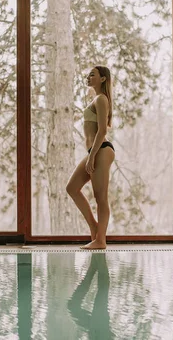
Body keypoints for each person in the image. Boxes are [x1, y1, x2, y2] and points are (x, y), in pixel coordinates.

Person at [66, 66, 115, 250]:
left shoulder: (101, 99)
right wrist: (90, 155)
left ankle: (100, 240)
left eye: (92, 75)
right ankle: (95, 229)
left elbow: (102, 131)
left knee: (100, 197)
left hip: (101, 150)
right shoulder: (96, 99)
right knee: (72, 187)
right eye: (88, 75)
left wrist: (91, 156)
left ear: (102, 79)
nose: (88, 77)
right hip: (95, 151)